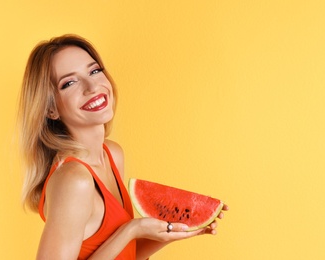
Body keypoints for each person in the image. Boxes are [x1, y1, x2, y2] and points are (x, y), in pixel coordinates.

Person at [18, 34, 228, 260]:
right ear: (51, 109)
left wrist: (174, 229)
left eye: (94, 71)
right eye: (69, 83)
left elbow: (126, 256)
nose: (92, 86)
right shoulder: (74, 179)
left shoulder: (112, 154)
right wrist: (130, 230)